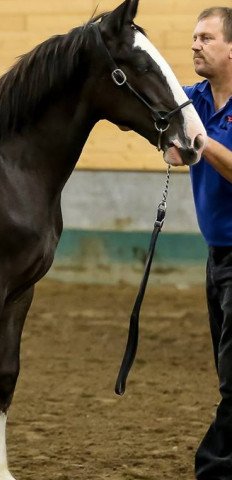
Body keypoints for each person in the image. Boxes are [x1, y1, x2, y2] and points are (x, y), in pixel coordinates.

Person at [183, 6, 232, 479]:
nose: (195, 44)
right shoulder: (191, 98)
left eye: (206, 38)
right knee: (227, 373)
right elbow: (166, 127)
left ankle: (214, 469)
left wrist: (199, 142)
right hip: (216, 255)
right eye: (194, 37)